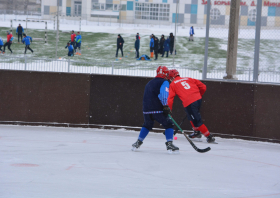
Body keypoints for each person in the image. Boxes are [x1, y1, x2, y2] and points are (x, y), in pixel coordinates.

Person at [131, 66, 179, 154]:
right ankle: (169, 144)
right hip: (158, 109)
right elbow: (163, 94)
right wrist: (165, 106)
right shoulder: (164, 82)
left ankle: (138, 142)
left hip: (146, 110)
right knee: (169, 124)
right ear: (166, 74)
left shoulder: (149, 82)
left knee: (147, 125)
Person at [167, 69, 216, 143]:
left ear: (172, 77)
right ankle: (196, 132)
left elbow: (170, 98)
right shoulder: (188, 78)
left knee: (197, 121)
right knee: (190, 116)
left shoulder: (173, 84)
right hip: (198, 99)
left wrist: (169, 109)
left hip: (189, 102)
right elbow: (203, 87)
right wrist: (198, 95)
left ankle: (209, 136)